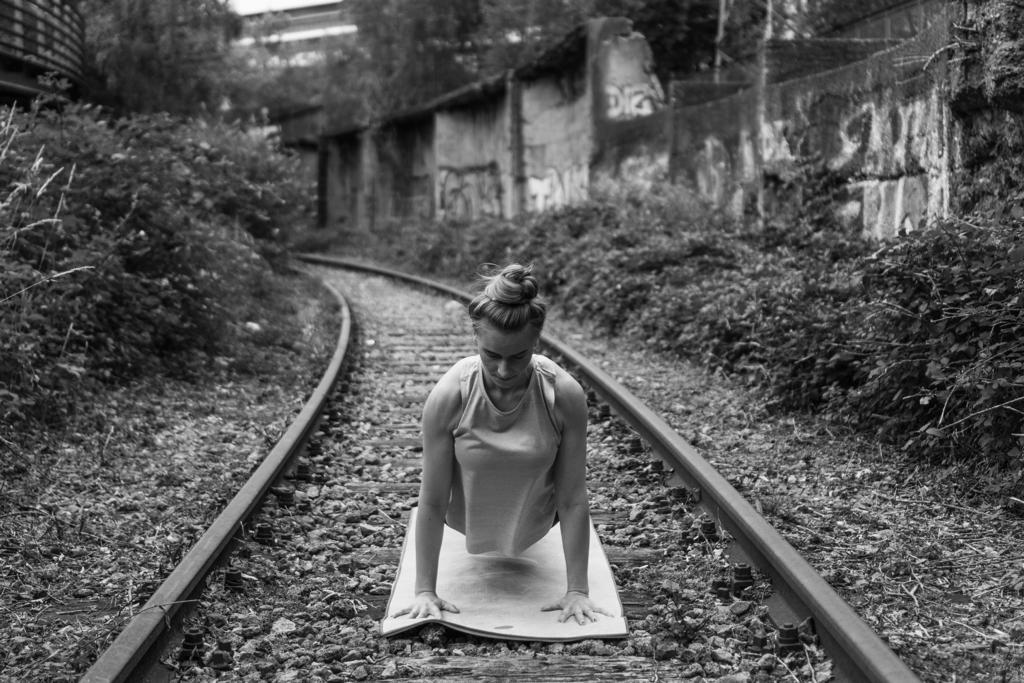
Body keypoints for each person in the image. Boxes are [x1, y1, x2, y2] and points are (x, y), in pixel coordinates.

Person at [391, 263, 612, 626]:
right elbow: (431, 500)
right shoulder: (450, 395)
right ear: (475, 341)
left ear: (536, 344)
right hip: (462, 524)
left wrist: (577, 590)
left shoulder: (563, 394)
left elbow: (573, 498)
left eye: (519, 356)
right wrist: (425, 590)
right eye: (491, 356)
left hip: (538, 526)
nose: (504, 371)